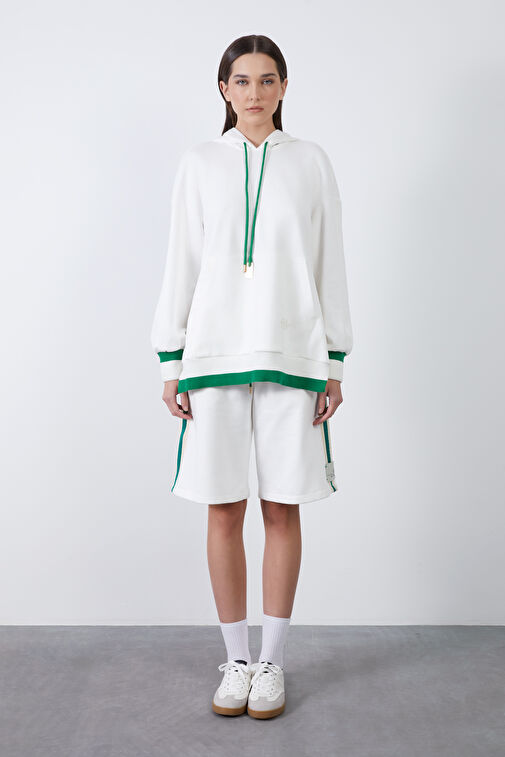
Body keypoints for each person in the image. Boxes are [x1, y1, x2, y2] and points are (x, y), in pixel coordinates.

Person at [150, 34, 353, 719]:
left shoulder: (310, 162)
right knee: (223, 506)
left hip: (292, 355)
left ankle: (272, 663)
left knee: (282, 505)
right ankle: (235, 659)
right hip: (212, 357)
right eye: (242, 80)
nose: (255, 92)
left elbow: (329, 261)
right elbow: (181, 259)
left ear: (284, 87)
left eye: (268, 80)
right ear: (224, 89)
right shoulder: (200, 162)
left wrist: (333, 360)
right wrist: (172, 359)